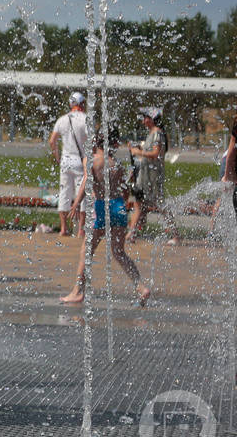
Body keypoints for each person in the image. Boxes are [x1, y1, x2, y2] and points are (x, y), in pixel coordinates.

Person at [59, 128, 151, 305]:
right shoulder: (116, 163)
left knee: (86, 251)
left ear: (96, 142)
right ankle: (140, 287)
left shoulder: (92, 160)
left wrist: (76, 203)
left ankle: (78, 292)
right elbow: (125, 192)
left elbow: (87, 181)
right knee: (118, 252)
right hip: (119, 207)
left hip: (102, 207)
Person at [128, 107, 181, 244]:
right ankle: (131, 233)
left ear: (152, 119)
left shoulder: (158, 133)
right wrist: (138, 150)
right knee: (138, 203)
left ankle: (175, 235)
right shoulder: (152, 133)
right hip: (145, 174)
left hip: (153, 176)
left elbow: (155, 154)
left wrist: (138, 152)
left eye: (145, 117)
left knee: (161, 205)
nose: (143, 120)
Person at [49, 92, 89, 238]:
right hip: (80, 160)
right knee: (82, 194)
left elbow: (52, 141)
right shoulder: (85, 119)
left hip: (65, 161)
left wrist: (57, 157)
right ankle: (80, 230)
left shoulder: (62, 119)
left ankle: (64, 228)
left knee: (64, 193)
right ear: (82, 104)